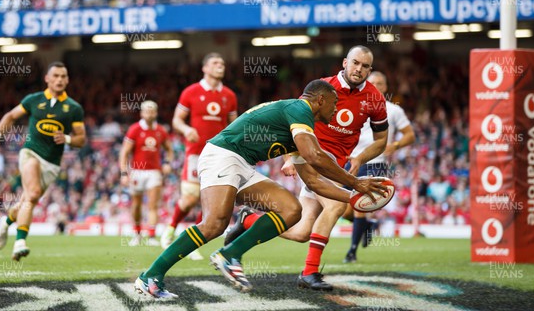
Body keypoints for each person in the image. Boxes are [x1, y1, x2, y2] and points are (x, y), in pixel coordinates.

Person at [134, 79, 388, 299]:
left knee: (291, 209)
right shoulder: (299, 108)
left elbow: (313, 181)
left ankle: (230, 254)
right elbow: (314, 156)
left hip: (241, 163)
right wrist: (355, 183)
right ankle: (150, 276)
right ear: (320, 100)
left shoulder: (300, 122)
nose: (335, 111)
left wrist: (353, 197)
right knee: (214, 225)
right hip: (223, 155)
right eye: (334, 104)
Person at [225, 45, 389, 291]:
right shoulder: (322, 88)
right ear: (345, 62)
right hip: (314, 156)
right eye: (355, 63)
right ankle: (309, 273)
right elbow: (295, 121)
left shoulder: (375, 98)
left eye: (365, 66)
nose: (359, 69)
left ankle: (248, 220)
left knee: (302, 232)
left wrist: (359, 158)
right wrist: (291, 156)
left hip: (338, 164)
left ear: (370, 69)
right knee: (336, 206)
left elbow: (381, 142)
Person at [0, 62, 86, 261]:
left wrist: (67, 138)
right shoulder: (34, 100)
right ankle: (20, 242)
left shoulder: (73, 108)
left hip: (52, 163)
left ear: (67, 80)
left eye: (63, 76)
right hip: (30, 152)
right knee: (32, 195)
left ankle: (6, 223)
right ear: (47, 78)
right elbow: (10, 116)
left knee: (26, 201)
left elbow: (81, 139)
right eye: (56, 76)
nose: (59, 79)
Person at [160, 52, 238, 261]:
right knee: (191, 197)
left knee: (210, 202)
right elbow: (176, 120)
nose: (220, 65)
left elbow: (234, 124)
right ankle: (169, 230)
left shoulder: (229, 96)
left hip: (220, 155)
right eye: (215, 62)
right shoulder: (191, 92)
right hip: (195, 153)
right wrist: (186, 130)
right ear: (205, 68)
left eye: (222, 62)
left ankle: (193, 241)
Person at [343, 71, 415, 263]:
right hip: (351, 161)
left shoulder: (393, 110)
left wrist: (396, 145)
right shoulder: (356, 105)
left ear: (385, 87)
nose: (375, 85)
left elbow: (410, 135)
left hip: (376, 162)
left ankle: (351, 252)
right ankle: (367, 226)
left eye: (380, 83)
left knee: (360, 208)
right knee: (342, 208)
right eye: (372, 82)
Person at [119, 100, 173, 246]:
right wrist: (124, 173)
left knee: (153, 205)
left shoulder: (161, 130)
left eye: (152, 111)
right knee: (136, 205)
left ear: (156, 113)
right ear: (142, 113)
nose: (150, 114)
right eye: (147, 111)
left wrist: (167, 163)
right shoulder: (135, 129)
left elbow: (169, 149)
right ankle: (137, 234)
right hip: (137, 172)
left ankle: (151, 236)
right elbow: (124, 152)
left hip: (154, 172)